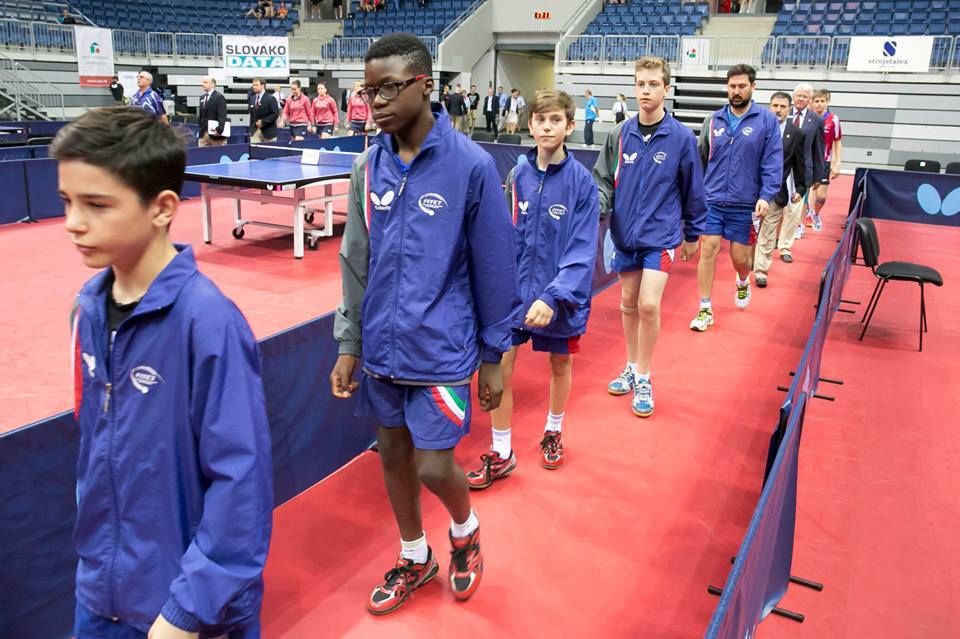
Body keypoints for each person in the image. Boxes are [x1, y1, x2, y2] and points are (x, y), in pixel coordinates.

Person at [54, 107, 272, 639]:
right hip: (100, 597)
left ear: (162, 208)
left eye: (97, 205)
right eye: (68, 202)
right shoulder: (87, 310)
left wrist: (186, 612)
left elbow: (241, 482)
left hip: (187, 613)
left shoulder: (209, 323)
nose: (73, 222)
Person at [331, 32, 516, 616]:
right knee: (391, 455)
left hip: (441, 349)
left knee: (435, 463)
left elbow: (494, 268)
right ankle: (416, 555)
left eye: (388, 88)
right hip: (383, 351)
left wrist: (493, 355)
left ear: (424, 84)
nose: (375, 102)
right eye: (368, 92)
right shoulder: (368, 166)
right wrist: (349, 341)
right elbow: (355, 261)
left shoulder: (473, 167)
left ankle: (465, 531)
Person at [466, 89, 598, 485]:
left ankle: (553, 431)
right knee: (500, 364)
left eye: (555, 120)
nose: (546, 126)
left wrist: (553, 296)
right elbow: (506, 235)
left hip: (558, 298)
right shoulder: (517, 176)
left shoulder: (582, 184)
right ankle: (502, 451)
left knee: (560, 363)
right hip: (514, 296)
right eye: (540, 119)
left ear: (569, 126)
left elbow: (581, 248)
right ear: (530, 125)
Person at [595, 57, 706, 417]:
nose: (646, 90)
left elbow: (693, 189)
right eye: (640, 83)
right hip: (625, 234)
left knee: (648, 305)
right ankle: (630, 365)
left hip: (661, 235)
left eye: (653, 84)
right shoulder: (619, 133)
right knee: (627, 302)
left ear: (666, 89)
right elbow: (602, 181)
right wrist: (594, 209)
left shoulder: (681, 138)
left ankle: (644, 375)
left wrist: (693, 233)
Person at [691, 64, 781, 331]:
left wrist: (766, 195)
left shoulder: (766, 121)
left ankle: (743, 281)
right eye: (732, 86)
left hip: (746, 204)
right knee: (707, 249)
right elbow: (701, 160)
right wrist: (698, 194)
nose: (736, 91)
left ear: (753, 87)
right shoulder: (713, 121)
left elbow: (773, 163)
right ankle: (705, 308)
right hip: (713, 200)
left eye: (742, 86)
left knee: (740, 259)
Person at [753, 92, 807, 288]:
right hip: (750, 190)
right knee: (750, 231)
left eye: (783, 106)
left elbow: (799, 163)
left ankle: (761, 270)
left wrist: (800, 188)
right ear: (769, 107)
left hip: (776, 192)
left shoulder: (797, 134)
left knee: (768, 231)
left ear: (789, 109)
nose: (778, 109)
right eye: (775, 105)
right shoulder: (757, 129)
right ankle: (748, 263)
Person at [788, 83, 824, 241]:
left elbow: (819, 149)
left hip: (804, 166)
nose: (801, 99)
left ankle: (799, 226)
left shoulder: (815, 118)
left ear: (810, 100)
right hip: (783, 165)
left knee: (801, 199)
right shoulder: (784, 113)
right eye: (798, 96)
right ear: (793, 97)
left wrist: (818, 175)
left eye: (805, 96)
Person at [809, 88, 841, 231]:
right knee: (808, 191)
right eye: (817, 101)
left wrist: (837, 162)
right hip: (808, 160)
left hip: (824, 161)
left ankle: (815, 213)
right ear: (812, 103)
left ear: (827, 102)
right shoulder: (807, 117)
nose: (820, 104)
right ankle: (803, 220)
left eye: (823, 101)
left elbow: (837, 141)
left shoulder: (833, 119)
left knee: (821, 197)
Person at [197, 76, 228, 147]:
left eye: (205, 82)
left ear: (212, 84)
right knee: (200, 155)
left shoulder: (219, 97)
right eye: (202, 82)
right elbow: (201, 115)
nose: (202, 84)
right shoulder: (202, 98)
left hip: (215, 133)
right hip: (203, 133)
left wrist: (219, 129)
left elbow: (222, 115)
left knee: (217, 154)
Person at [248, 77, 279, 143]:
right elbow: (252, 116)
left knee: (269, 153)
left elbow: (275, 114)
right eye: (253, 85)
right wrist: (251, 130)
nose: (254, 87)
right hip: (255, 131)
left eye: (256, 85)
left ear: (262, 85)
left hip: (269, 132)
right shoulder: (252, 99)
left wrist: (263, 122)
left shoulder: (270, 98)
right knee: (255, 152)